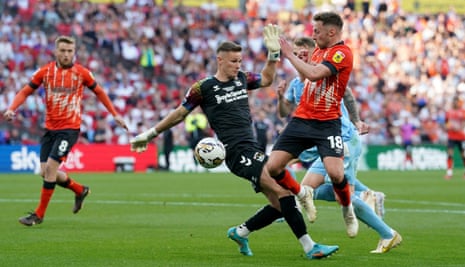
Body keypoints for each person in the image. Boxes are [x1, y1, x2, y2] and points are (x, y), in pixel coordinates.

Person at [130, 27, 338, 259]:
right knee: (284, 191)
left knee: (280, 204)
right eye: (232, 61)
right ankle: (310, 247)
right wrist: (149, 134)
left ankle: (241, 232)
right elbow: (180, 114)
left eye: (239, 60)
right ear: (220, 60)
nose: (237, 65)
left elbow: (267, 79)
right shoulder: (204, 88)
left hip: (252, 149)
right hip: (236, 153)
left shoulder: (242, 79)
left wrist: (272, 56)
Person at [3, 35, 128, 226]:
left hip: (69, 128)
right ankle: (79, 190)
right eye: (63, 50)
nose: (66, 54)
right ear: (56, 51)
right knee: (45, 172)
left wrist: (114, 114)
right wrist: (12, 108)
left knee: (52, 168)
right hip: (50, 129)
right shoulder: (45, 72)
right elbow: (25, 91)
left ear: (74, 52)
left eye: (70, 51)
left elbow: (100, 92)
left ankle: (39, 215)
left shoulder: (82, 73)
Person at [265, 11, 359, 238]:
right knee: (273, 167)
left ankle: (348, 210)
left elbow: (316, 75)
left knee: (336, 175)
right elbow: (305, 76)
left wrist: (289, 55)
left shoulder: (342, 53)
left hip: (328, 123)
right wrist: (277, 54)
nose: (313, 34)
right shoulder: (318, 49)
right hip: (302, 119)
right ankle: (302, 193)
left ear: (332, 32)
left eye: (316, 31)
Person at [444, 95, 465, 179]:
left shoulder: (462, 111)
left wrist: (460, 128)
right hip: (451, 136)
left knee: (463, 155)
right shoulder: (449, 112)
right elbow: (446, 123)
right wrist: (448, 126)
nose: (456, 103)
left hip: (461, 136)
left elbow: (463, 122)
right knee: (449, 154)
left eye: (457, 102)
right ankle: (449, 173)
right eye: (455, 102)